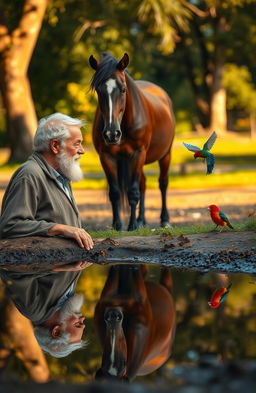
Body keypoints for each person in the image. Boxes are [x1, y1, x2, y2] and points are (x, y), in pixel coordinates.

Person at [0, 112, 94, 357]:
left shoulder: (58, 173)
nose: (81, 150)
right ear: (55, 146)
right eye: (77, 143)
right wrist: (59, 228)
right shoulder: (30, 174)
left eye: (79, 325)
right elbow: (10, 225)